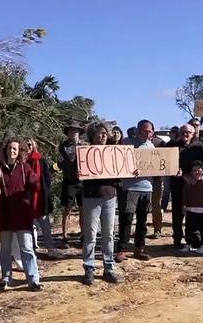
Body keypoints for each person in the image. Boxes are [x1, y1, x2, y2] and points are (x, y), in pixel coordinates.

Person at [0, 138, 42, 291]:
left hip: (23, 214)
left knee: (27, 248)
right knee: (5, 249)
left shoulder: (25, 168)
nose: (12, 151)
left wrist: (35, 181)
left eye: (15, 148)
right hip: (5, 215)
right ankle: (6, 277)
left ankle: (33, 278)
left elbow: (35, 185)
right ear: (5, 150)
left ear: (19, 151)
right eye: (9, 148)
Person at [80, 123, 121, 285]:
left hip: (110, 196)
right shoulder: (84, 153)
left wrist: (131, 171)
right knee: (90, 235)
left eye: (105, 133)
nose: (103, 136)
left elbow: (121, 171)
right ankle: (89, 268)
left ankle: (109, 268)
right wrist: (78, 172)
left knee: (109, 234)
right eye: (99, 134)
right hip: (91, 197)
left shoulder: (114, 153)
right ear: (92, 136)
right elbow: (72, 170)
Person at [168, 124, 203, 251]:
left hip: (196, 186)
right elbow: (166, 165)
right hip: (178, 184)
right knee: (178, 214)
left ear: (193, 134)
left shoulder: (199, 147)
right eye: (183, 131)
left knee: (194, 215)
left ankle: (195, 240)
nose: (185, 134)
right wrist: (183, 175)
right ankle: (177, 240)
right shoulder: (171, 146)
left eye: (189, 132)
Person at [117, 120, 155, 262]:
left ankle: (139, 249)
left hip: (147, 188)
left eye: (150, 131)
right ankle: (121, 250)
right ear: (138, 130)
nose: (147, 133)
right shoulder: (126, 143)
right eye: (145, 130)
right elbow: (118, 162)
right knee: (126, 218)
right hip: (130, 188)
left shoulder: (152, 146)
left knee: (142, 220)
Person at [23, 138, 57, 254]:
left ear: (34, 146)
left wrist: (46, 191)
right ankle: (31, 249)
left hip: (41, 197)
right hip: (27, 198)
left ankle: (50, 248)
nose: (28, 147)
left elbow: (47, 178)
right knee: (29, 226)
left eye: (29, 144)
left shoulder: (41, 160)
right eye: (25, 145)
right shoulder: (22, 162)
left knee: (45, 225)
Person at [58, 122, 84, 243]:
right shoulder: (63, 146)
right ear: (68, 133)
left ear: (79, 132)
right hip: (69, 181)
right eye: (71, 131)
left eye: (75, 131)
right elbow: (60, 162)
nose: (73, 133)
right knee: (67, 209)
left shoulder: (85, 145)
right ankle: (64, 235)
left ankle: (83, 234)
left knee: (83, 209)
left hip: (83, 182)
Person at [182, 160, 203, 253]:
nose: (196, 172)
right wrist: (184, 206)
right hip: (191, 210)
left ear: (202, 171)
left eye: (198, 170)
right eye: (194, 170)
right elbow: (184, 195)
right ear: (191, 172)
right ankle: (188, 244)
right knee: (189, 228)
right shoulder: (188, 183)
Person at [149, 133, 167, 238]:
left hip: (157, 179)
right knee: (141, 206)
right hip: (141, 180)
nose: (147, 133)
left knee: (156, 205)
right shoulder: (137, 144)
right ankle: (141, 229)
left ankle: (157, 229)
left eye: (149, 131)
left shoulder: (159, 142)